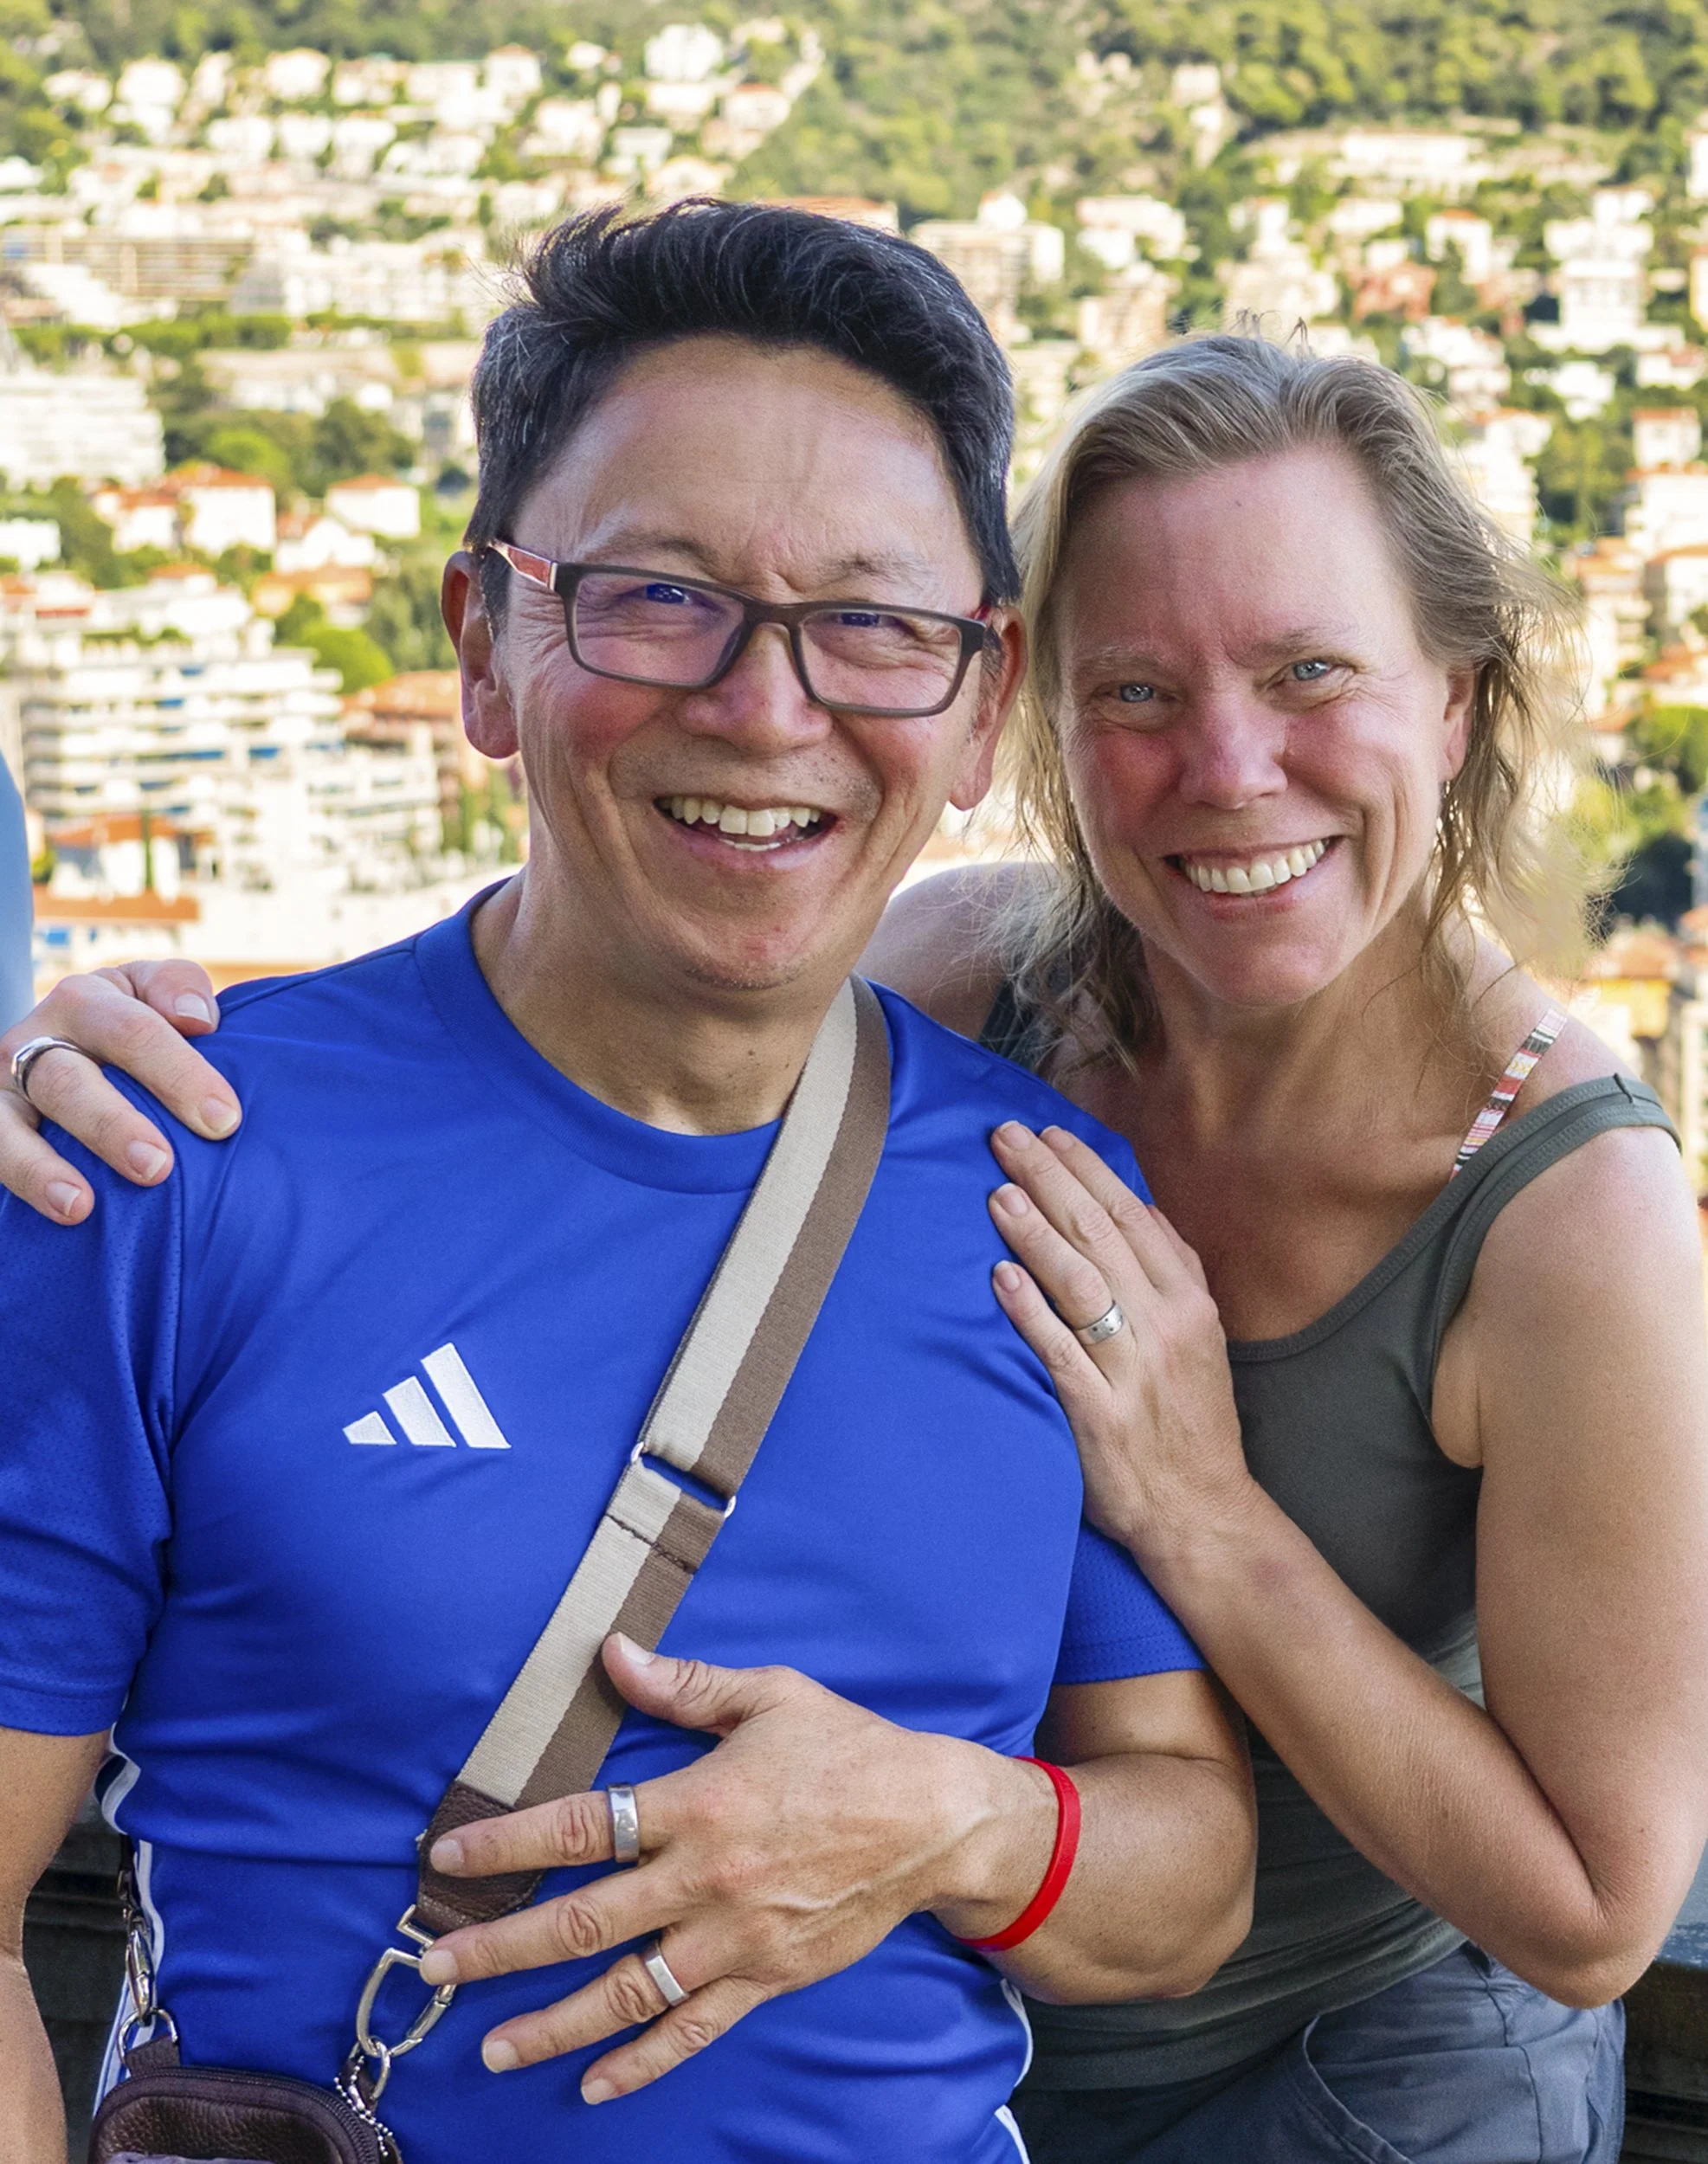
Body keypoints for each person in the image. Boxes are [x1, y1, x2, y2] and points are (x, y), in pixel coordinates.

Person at [28, 328, 1708, 2164]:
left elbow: (1587, 1905)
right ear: (1026, 724)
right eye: (1134, 691)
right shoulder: (960, 1000)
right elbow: (602, 1018)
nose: (1228, 765)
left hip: (1359, 2039)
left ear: (1452, 698)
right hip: (985, 2045)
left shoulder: (1561, 1211)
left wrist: (1182, 1531)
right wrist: (98, 1065)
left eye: (1309, 670)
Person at [0, 206, 1255, 2164]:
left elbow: (1189, 1872)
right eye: (655, 596)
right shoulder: (174, 1158)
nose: (766, 707)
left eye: (869, 621)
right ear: (483, 645)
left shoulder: (1041, 1199)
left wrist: (942, 1816)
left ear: (977, 699)